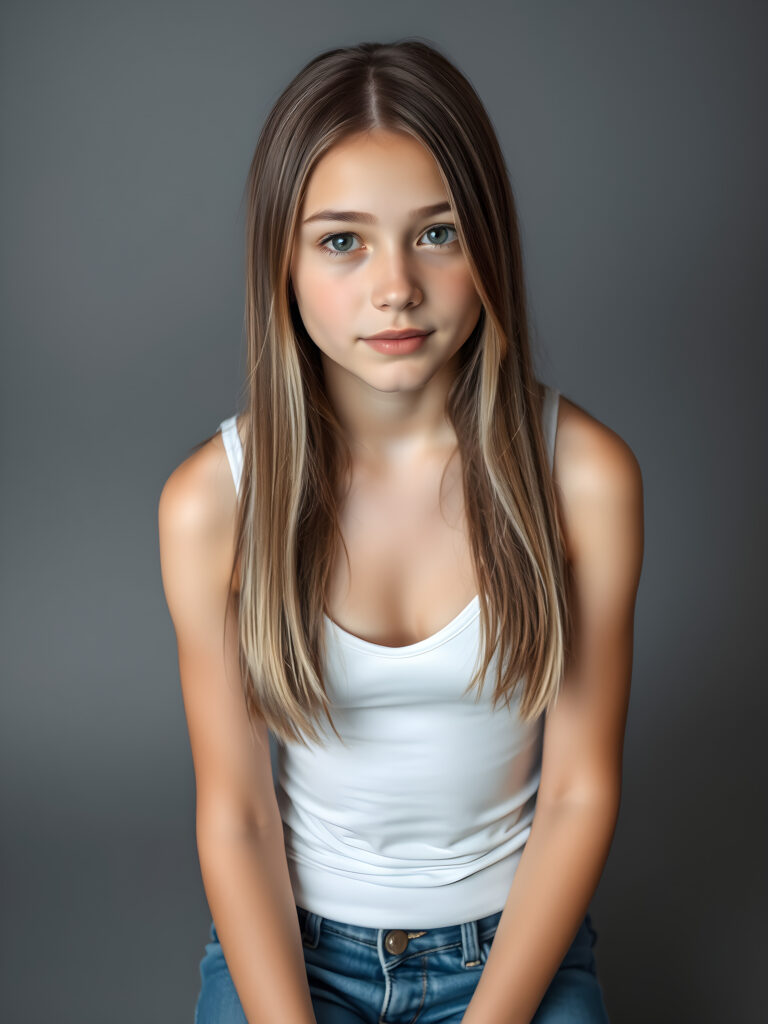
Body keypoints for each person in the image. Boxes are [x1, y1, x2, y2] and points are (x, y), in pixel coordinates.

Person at [158, 38, 644, 1024]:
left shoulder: (585, 478)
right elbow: (239, 816)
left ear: (490, 245)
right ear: (281, 261)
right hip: (300, 952)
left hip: (510, 953)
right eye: (343, 240)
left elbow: (581, 794)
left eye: (437, 234)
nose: (395, 289)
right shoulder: (214, 503)